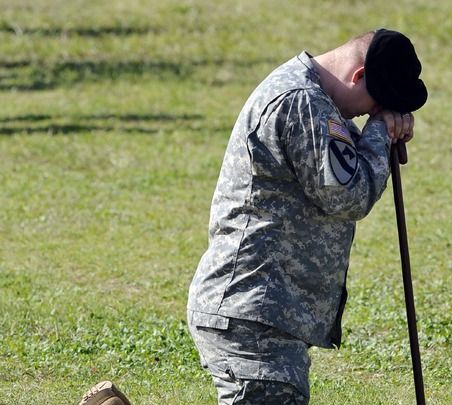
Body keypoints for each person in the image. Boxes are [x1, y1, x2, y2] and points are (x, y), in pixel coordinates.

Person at [78, 28, 426, 405]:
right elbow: (348, 195)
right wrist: (378, 133)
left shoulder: (316, 102)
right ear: (357, 75)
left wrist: (375, 133)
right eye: (377, 101)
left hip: (261, 312)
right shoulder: (301, 102)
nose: (372, 112)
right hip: (253, 312)